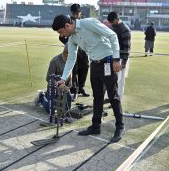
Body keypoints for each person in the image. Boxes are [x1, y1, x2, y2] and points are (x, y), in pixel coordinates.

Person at [52, 14, 125, 143]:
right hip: (95, 64)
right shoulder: (72, 38)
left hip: (108, 61)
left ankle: (120, 127)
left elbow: (112, 35)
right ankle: (96, 126)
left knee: (113, 96)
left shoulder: (88, 23)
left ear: (67, 26)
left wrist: (116, 59)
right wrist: (63, 78)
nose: (62, 35)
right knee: (97, 97)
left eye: (61, 32)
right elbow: (71, 58)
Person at [59, 4, 90, 100]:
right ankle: (75, 90)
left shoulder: (84, 22)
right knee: (74, 70)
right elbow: (61, 37)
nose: (76, 15)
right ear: (71, 13)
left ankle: (81, 87)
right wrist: (68, 44)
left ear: (80, 12)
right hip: (73, 50)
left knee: (85, 67)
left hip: (83, 50)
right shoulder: (67, 22)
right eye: (74, 13)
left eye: (78, 13)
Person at [34, 46, 72, 111]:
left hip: (65, 88)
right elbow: (48, 78)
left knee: (66, 109)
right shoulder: (55, 61)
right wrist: (59, 85)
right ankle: (41, 97)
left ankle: (47, 95)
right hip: (54, 88)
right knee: (51, 110)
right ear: (65, 53)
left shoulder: (71, 59)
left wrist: (68, 86)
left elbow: (70, 73)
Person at [107, 11, 131, 99]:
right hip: (113, 57)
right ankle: (110, 96)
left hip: (121, 58)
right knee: (111, 78)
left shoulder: (125, 29)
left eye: (112, 22)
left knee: (120, 80)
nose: (111, 24)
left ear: (117, 19)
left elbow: (127, 47)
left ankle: (118, 97)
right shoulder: (113, 27)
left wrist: (124, 62)